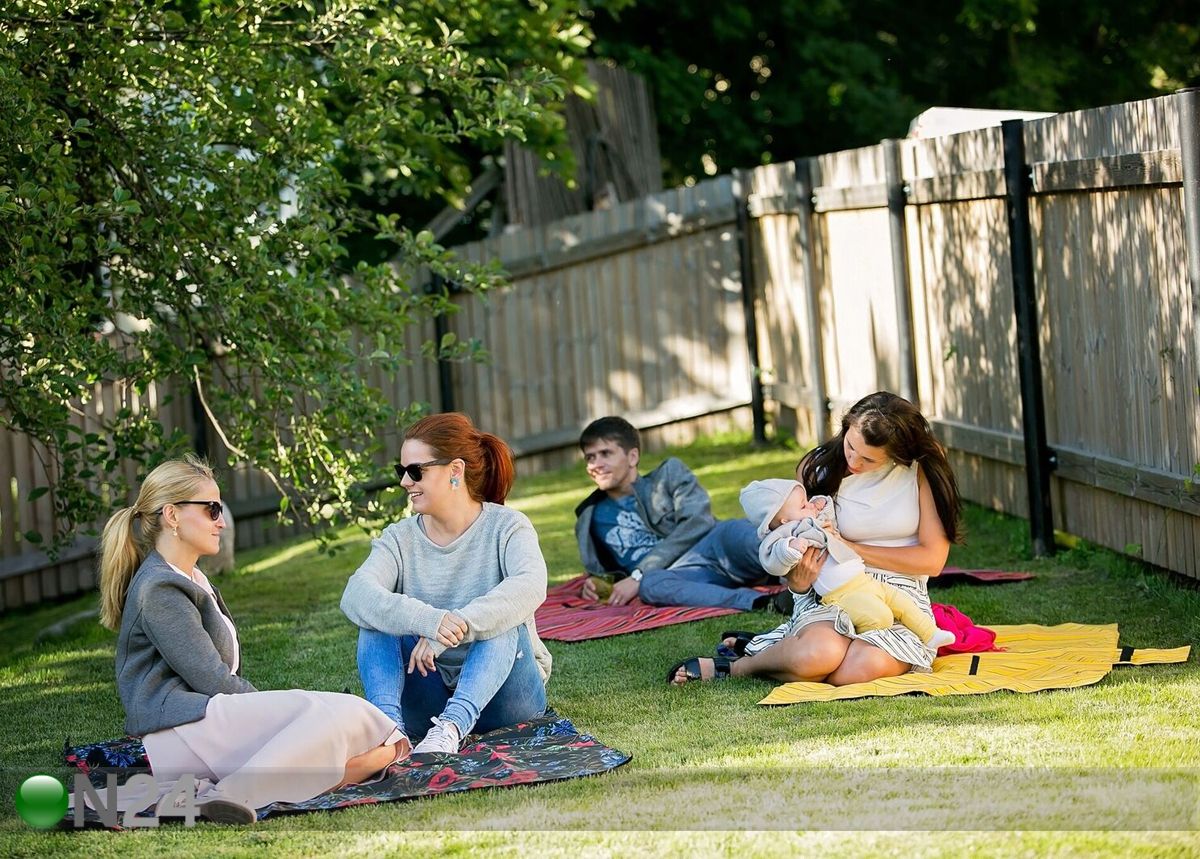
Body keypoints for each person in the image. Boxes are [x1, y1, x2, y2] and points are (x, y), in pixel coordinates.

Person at [98, 455, 405, 825]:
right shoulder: (159, 588)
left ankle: (374, 758)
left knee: (347, 713)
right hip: (181, 732)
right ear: (172, 515)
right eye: (211, 510)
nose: (221, 522)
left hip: (208, 719)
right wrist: (272, 710)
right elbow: (211, 679)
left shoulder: (188, 576)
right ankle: (230, 793)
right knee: (321, 713)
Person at [669, 391, 962, 685]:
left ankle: (781, 649)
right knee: (817, 655)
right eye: (850, 446)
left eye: (869, 459)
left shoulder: (923, 470)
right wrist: (797, 584)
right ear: (846, 427)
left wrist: (851, 548)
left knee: (859, 668)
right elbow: (794, 535)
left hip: (900, 595)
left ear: (898, 456)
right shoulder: (819, 469)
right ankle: (740, 667)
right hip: (831, 590)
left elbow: (932, 560)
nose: (854, 461)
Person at [341, 412, 551, 757]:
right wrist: (429, 621)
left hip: (507, 700)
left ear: (455, 471)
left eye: (415, 471)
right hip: (429, 693)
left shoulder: (508, 526)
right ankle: (389, 733)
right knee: (376, 620)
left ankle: (452, 728)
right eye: (401, 471)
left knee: (502, 620)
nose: (404, 483)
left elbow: (530, 586)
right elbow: (356, 595)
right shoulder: (399, 538)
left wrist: (455, 627)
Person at [574, 416, 776, 610]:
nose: (595, 465)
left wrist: (639, 573)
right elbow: (605, 570)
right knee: (651, 586)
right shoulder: (589, 517)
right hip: (680, 575)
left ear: (632, 456)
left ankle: (797, 566)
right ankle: (765, 602)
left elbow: (699, 522)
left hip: (715, 546)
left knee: (736, 531)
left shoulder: (668, 475)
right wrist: (595, 582)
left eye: (605, 454)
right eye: (590, 457)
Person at [738, 478, 954, 650]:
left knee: (902, 602)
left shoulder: (814, 519)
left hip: (864, 579)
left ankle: (930, 634)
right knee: (881, 616)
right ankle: (860, 639)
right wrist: (791, 548)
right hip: (841, 594)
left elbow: (828, 514)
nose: (810, 506)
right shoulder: (786, 535)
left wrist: (821, 503)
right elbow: (772, 559)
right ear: (783, 520)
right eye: (804, 505)